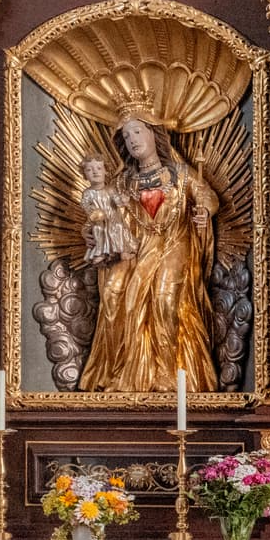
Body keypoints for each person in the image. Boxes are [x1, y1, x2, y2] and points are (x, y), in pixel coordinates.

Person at [80, 111, 220, 392]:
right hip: (138, 249)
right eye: (126, 135)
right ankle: (127, 373)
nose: (132, 139)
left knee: (165, 300)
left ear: (154, 134)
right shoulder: (122, 181)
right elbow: (103, 215)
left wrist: (203, 211)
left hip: (173, 243)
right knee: (124, 300)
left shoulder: (180, 174)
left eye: (137, 131)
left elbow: (207, 196)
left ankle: (170, 373)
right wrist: (93, 233)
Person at [77, 155, 134, 265]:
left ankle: (123, 250)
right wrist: (92, 212)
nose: (95, 172)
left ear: (105, 171)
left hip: (113, 219)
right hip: (98, 220)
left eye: (99, 168)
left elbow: (118, 202)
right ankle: (100, 252)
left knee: (118, 227)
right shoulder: (88, 193)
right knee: (98, 230)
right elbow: (84, 204)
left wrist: (123, 200)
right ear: (84, 175)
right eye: (89, 170)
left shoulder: (110, 189)